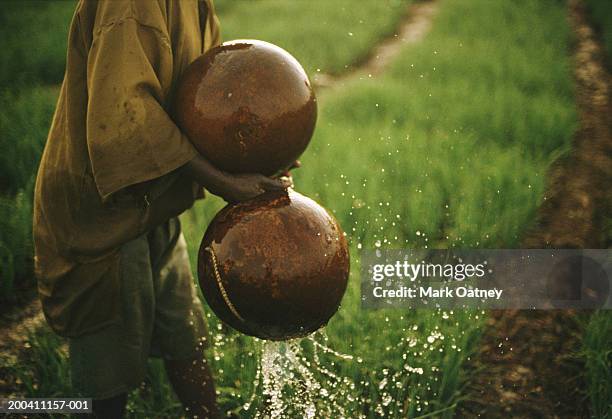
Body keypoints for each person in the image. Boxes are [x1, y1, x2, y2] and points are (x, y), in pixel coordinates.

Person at [33, 1, 293, 417]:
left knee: (185, 341)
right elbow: (129, 116)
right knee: (108, 381)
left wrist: (256, 153)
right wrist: (223, 182)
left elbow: (205, 98)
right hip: (105, 214)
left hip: (156, 202)